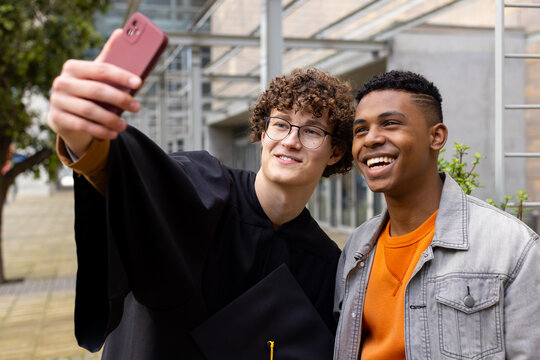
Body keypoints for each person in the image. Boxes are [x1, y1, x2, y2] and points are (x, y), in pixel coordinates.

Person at [47, 29, 355, 359]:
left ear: (335, 152)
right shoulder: (203, 186)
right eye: (280, 124)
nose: (291, 140)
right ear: (263, 133)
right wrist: (85, 138)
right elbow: (137, 181)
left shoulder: (325, 266)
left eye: (311, 131)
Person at [333, 70, 540, 359]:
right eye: (360, 130)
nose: (371, 139)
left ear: (436, 136)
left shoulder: (512, 246)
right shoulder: (357, 247)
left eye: (390, 123)